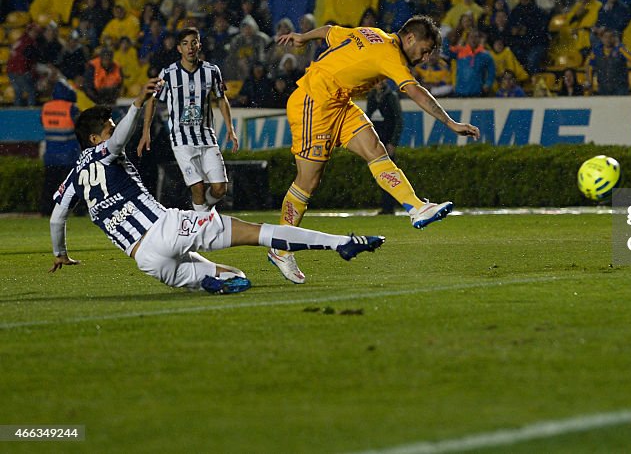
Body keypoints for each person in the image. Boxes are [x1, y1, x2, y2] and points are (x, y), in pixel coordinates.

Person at [48, 80, 384, 294]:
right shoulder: (102, 152)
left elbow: (56, 218)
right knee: (261, 233)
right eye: (107, 128)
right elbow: (119, 139)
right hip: (166, 228)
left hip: (147, 261)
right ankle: (342, 243)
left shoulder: (73, 179)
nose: (113, 131)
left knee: (237, 277)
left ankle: (208, 280)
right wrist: (136, 104)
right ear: (93, 140)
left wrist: (60, 254)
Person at [268, 16, 480, 284]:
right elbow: (416, 93)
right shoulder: (390, 54)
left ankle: (416, 207)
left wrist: (304, 36)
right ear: (411, 39)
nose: (424, 58)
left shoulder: (372, 33)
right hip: (314, 102)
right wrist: (451, 123)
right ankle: (280, 246)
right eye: (425, 50)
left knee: (376, 150)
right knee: (308, 182)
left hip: (338, 102)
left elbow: (332, 31)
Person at [138, 28, 238, 214]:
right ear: (179, 48)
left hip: (207, 138)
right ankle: (202, 225)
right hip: (181, 140)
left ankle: (201, 210)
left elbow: (221, 98)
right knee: (198, 187)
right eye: (185, 43)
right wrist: (146, 132)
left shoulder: (211, 71)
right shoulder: (168, 74)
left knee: (220, 189)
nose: (190, 47)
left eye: (194, 42)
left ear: (199, 45)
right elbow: (152, 100)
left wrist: (231, 129)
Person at [40, 78, 80, 215]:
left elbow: (43, 124)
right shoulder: (72, 108)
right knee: (73, 186)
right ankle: (77, 211)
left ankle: (46, 210)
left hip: (51, 155)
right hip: (69, 155)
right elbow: (80, 127)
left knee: (50, 185)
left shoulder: (46, 107)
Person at [364, 79, 404, 215]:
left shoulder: (391, 96)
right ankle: (386, 205)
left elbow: (398, 120)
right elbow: (368, 118)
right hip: (378, 139)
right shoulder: (371, 96)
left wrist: (393, 142)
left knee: (389, 173)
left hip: (387, 140)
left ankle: (389, 206)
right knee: (380, 173)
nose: (379, 83)